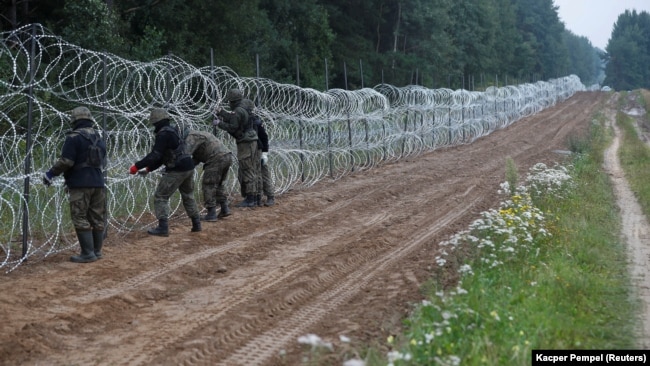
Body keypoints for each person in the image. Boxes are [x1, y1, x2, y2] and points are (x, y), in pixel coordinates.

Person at [43, 106, 107, 263]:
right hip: (98, 182)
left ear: (74, 120)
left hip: (80, 183)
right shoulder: (99, 137)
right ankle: (97, 252)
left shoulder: (74, 137)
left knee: (79, 216)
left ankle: (87, 253)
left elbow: (67, 161)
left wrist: (50, 174)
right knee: (97, 217)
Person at [129, 108, 201, 236]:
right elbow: (164, 156)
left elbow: (155, 155)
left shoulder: (163, 134)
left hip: (178, 169)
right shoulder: (172, 131)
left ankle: (163, 228)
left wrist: (137, 166)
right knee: (188, 195)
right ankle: (196, 224)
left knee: (161, 196)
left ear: (156, 121)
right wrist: (148, 169)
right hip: (188, 166)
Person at [214, 89, 260, 208]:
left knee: (247, 169)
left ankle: (250, 199)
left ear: (232, 100)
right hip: (251, 140)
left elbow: (233, 127)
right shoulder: (243, 108)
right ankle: (254, 197)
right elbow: (233, 118)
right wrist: (222, 112)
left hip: (245, 142)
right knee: (252, 168)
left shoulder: (238, 110)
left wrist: (219, 123)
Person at [184, 129, 233, 221]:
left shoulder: (191, 137)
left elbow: (186, 154)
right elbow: (196, 158)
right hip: (227, 156)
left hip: (216, 158)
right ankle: (225, 208)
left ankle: (211, 213)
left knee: (208, 185)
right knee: (219, 185)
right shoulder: (199, 134)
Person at [254, 113, 276, 207]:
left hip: (259, 150)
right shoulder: (242, 120)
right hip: (250, 152)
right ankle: (257, 197)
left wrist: (264, 153)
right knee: (253, 175)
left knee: (264, 174)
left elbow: (264, 137)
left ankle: (270, 196)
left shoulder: (256, 121)